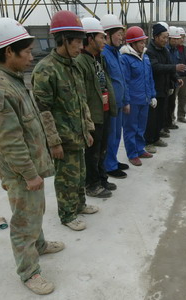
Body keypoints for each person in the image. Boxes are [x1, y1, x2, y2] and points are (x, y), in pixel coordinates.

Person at [0, 18, 63, 295]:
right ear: (8, 53)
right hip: (20, 171)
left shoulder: (12, 80)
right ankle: (29, 272)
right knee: (24, 221)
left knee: (35, 210)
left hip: (30, 167)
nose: (31, 57)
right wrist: (29, 174)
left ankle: (39, 245)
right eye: (26, 52)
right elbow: (9, 140)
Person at [32, 11, 98, 232]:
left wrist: (88, 128)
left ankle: (79, 205)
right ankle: (67, 214)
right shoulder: (46, 70)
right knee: (65, 178)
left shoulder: (75, 64)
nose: (81, 47)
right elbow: (43, 109)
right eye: (77, 42)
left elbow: (82, 101)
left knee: (79, 173)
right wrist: (53, 141)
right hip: (62, 136)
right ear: (63, 40)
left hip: (78, 133)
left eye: (82, 41)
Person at [76, 18, 117, 198]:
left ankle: (101, 178)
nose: (104, 40)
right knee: (92, 152)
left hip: (104, 111)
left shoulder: (98, 58)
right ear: (90, 38)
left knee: (103, 149)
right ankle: (91, 184)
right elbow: (81, 93)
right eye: (101, 37)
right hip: (92, 114)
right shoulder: (81, 61)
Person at [145, 23, 185, 154]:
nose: (166, 40)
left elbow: (169, 66)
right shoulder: (150, 51)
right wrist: (174, 68)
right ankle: (149, 141)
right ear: (156, 37)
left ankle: (156, 137)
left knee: (160, 116)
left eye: (167, 38)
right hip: (153, 89)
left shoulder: (164, 50)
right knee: (152, 118)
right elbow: (156, 67)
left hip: (163, 89)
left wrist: (176, 77)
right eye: (164, 37)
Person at [120, 26, 157, 166]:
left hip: (145, 99)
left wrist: (152, 95)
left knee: (141, 127)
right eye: (140, 42)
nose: (143, 45)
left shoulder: (145, 58)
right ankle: (132, 154)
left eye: (144, 42)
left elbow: (150, 79)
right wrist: (126, 101)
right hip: (133, 101)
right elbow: (125, 82)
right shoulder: (125, 59)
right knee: (131, 128)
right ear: (132, 44)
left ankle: (140, 149)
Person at [101, 14, 130, 179]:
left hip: (119, 103)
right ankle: (109, 165)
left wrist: (126, 101)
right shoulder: (104, 55)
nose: (121, 37)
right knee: (111, 136)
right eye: (118, 34)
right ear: (107, 35)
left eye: (121, 34)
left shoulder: (117, 53)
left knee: (117, 135)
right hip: (110, 104)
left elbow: (122, 80)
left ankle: (113, 160)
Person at [164, 26, 183, 132]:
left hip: (173, 80)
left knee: (171, 103)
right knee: (165, 105)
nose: (176, 41)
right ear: (169, 39)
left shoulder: (175, 50)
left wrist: (177, 78)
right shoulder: (165, 50)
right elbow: (169, 66)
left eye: (177, 39)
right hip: (166, 81)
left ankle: (169, 123)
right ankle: (164, 125)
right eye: (174, 39)